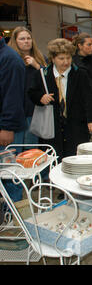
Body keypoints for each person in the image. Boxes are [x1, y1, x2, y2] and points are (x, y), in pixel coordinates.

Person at [28, 38, 92, 159]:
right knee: (54, 159)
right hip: (52, 127)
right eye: (61, 58)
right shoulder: (43, 74)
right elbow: (32, 92)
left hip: (76, 125)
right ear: (53, 58)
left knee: (76, 158)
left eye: (68, 58)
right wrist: (41, 97)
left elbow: (89, 98)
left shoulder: (80, 74)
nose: (65, 62)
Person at [8, 27, 47, 146]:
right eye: (22, 39)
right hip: (16, 111)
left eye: (28, 38)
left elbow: (49, 81)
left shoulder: (41, 58)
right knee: (15, 148)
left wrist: (37, 66)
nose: (26, 41)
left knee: (31, 148)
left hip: (34, 110)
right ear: (15, 41)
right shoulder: (10, 59)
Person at [0, 32, 27, 202]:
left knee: (10, 175)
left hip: (6, 129)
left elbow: (13, 96)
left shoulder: (10, 59)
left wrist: (7, 127)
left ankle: (14, 215)